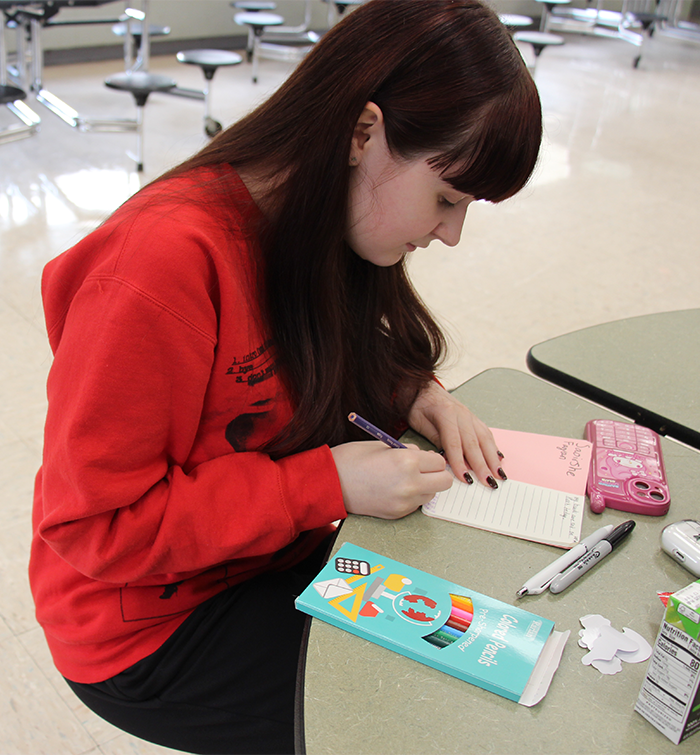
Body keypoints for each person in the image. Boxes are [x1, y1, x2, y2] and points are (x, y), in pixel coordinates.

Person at [29, 0, 543, 752]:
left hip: (266, 550)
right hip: (148, 627)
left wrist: (416, 392)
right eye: (446, 198)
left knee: (478, 645)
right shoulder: (160, 266)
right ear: (362, 133)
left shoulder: (321, 220)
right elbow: (95, 525)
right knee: (419, 717)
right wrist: (325, 485)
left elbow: (320, 350)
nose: (450, 233)